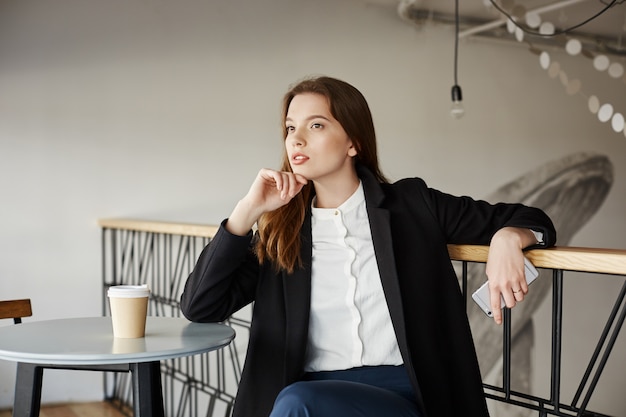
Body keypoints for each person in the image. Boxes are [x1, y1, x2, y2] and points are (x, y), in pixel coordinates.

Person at [180, 76, 556, 417]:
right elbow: (201, 306)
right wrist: (246, 213)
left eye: (316, 125)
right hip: (307, 396)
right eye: (291, 128)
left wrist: (510, 237)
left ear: (353, 142)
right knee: (297, 403)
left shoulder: (413, 206)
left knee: (297, 405)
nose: (296, 139)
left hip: (407, 397)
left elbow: (533, 218)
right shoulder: (282, 234)